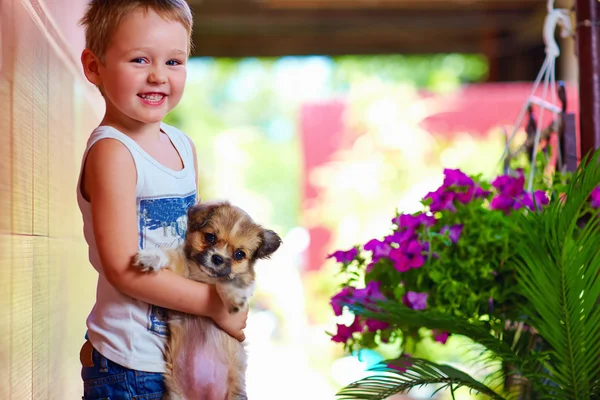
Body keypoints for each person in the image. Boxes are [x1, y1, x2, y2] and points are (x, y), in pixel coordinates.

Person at [76, 1, 248, 398]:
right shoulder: (113, 153)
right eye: (139, 59)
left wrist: (231, 291)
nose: (158, 76)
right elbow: (123, 269)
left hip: (188, 352)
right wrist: (216, 304)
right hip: (132, 366)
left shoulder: (182, 145)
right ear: (94, 67)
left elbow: (196, 247)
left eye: (174, 62)